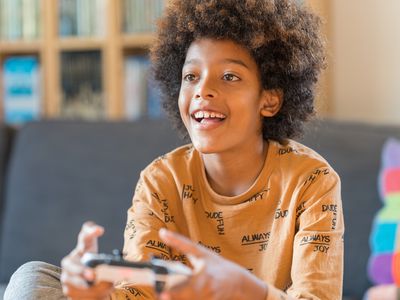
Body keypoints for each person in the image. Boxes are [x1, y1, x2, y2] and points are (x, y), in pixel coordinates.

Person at [4, 0, 344, 299]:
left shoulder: (311, 180)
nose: (203, 90)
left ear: (269, 99)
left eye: (229, 77)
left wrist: (248, 291)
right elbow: (138, 294)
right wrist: (94, 296)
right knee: (32, 278)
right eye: (191, 76)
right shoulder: (160, 180)